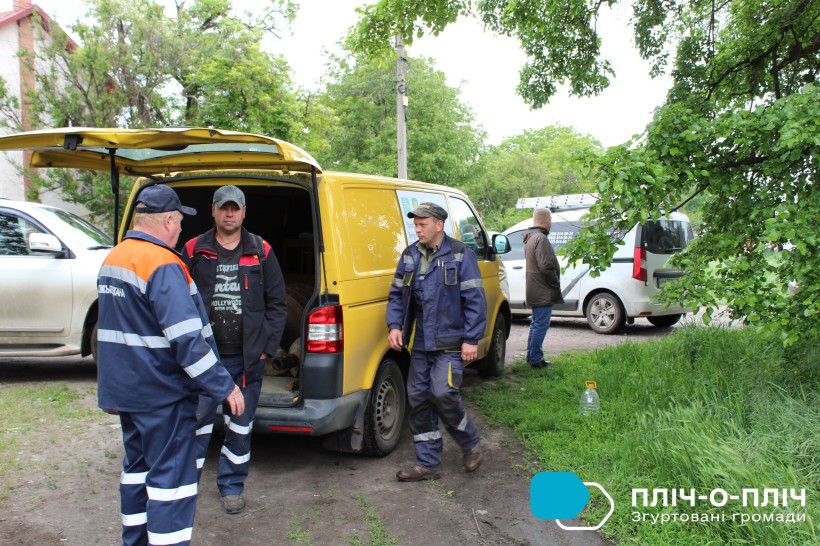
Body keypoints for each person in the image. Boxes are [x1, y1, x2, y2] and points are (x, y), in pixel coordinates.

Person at [97, 184, 245, 546]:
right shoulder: (163, 264)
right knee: (171, 484)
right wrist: (223, 385)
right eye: (179, 221)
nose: (181, 230)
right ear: (166, 220)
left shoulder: (114, 257)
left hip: (126, 392)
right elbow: (186, 340)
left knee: (136, 472)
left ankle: (135, 541)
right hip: (162, 395)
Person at [181, 185, 287, 515]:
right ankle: (186, 486)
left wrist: (266, 349)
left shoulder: (262, 250)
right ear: (212, 210)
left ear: (244, 212)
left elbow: (278, 304)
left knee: (239, 427)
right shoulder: (193, 249)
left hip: (245, 360)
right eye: (223, 207)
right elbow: (178, 300)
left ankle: (231, 487)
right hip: (204, 359)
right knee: (195, 425)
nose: (230, 213)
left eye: (235, 208)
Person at [386, 202, 486, 482]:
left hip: (451, 343)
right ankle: (427, 463)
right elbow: (396, 295)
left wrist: (471, 339)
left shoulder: (460, 255)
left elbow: (475, 300)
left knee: (443, 394)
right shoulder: (409, 256)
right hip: (420, 344)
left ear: (438, 225)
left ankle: (470, 444)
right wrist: (395, 325)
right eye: (415, 225)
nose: (417, 229)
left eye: (422, 224)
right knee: (417, 398)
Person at [523, 207, 563, 369]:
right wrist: (554, 283)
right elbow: (546, 266)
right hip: (542, 290)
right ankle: (536, 359)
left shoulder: (531, 238)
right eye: (551, 221)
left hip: (534, 288)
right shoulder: (540, 238)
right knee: (540, 324)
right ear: (547, 221)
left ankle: (531, 356)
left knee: (535, 323)